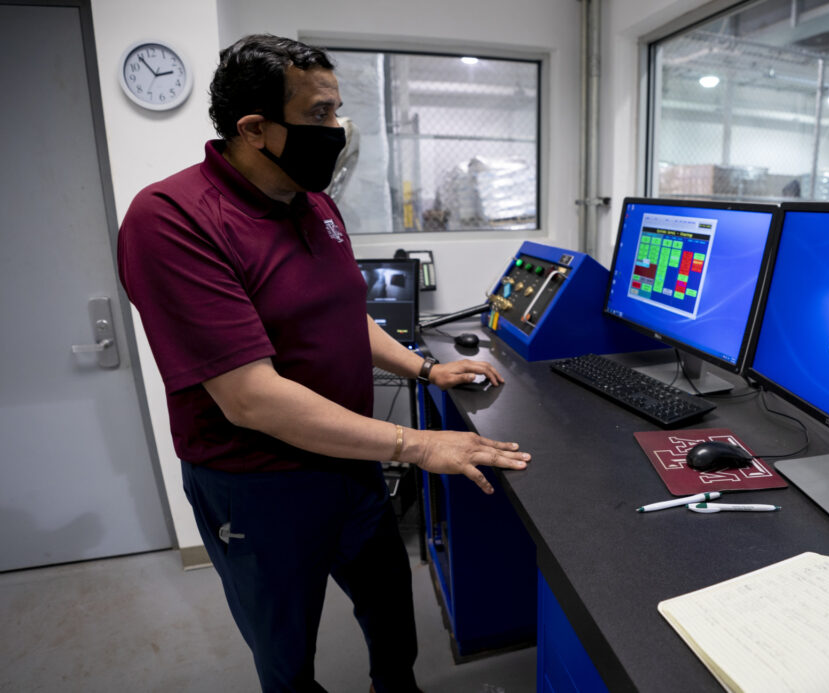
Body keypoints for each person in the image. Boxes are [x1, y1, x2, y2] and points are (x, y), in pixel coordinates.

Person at [117, 34, 530, 693]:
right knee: (286, 648)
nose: (337, 130)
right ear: (255, 129)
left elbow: (345, 313)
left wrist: (424, 368)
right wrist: (415, 442)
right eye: (319, 115)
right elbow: (250, 396)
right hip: (258, 483)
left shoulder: (314, 204)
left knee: (392, 609)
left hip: (350, 462)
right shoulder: (171, 219)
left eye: (337, 110)